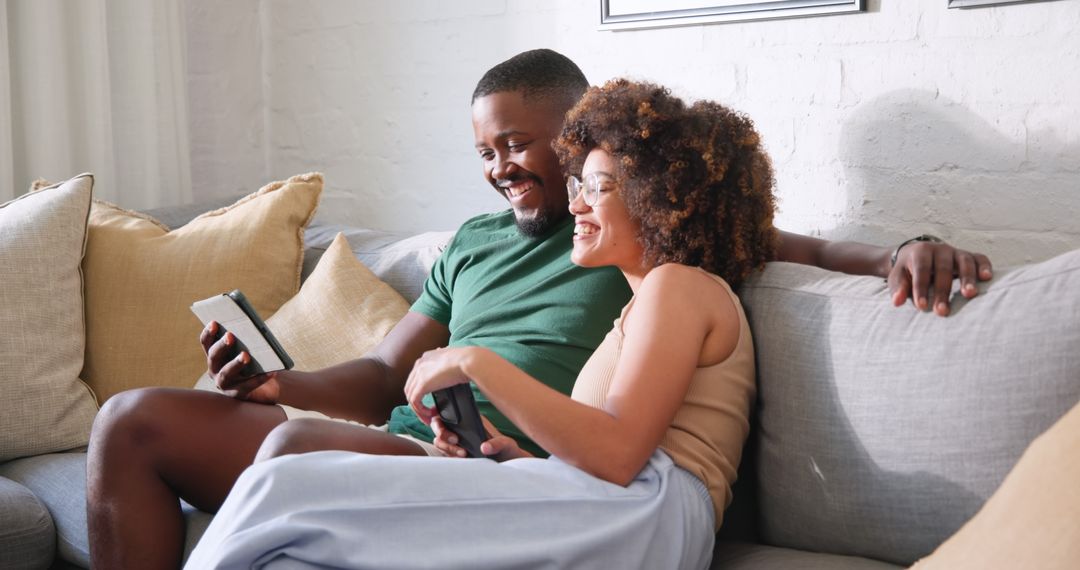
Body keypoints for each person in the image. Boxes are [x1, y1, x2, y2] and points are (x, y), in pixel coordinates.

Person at [86, 49, 991, 569]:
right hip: (487, 455)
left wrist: (895, 249)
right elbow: (384, 375)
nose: (499, 168)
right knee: (138, 423)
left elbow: (770, 240)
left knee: (291, 469)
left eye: (519, 145)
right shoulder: (486, 246)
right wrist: (284, 381)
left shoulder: (661, 257)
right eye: (485, 151)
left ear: (583, 147)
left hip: (573, 481)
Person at [185, 77, 778, 569]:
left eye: (596, 188)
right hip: (615, 506)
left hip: (647, 513)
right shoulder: (647, 302)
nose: (575, 205)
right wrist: (507, 457)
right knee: (295, 546)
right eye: (578, 186)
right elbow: (602, 456)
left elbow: (621, 454)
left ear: (659, 198)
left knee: (285, 486)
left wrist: (472, 362)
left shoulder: (679, 285)